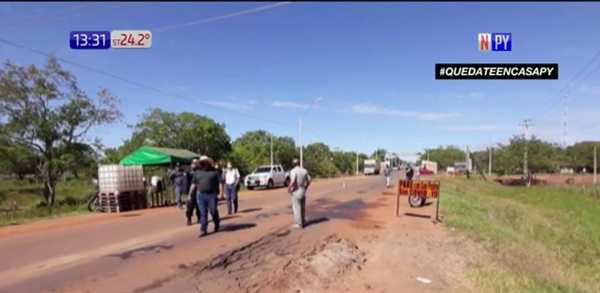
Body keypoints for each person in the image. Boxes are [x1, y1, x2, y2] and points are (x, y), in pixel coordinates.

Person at [189, 155, 221, 237]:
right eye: (202, 162)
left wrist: (221, 193)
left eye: (205, 162)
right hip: (201, 195)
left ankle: (216, 223)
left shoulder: (214, 172)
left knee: (213, 210)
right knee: (203, 213)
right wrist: (190, 194)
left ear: (208, 163)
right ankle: (203, 229)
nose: (204, 163)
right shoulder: (197, 173)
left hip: (212, 195)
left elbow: (220, 183)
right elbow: (193, 184)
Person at [287, 158, 311, 229]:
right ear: (299, 163)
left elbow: (293, 180)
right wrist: (306, 187)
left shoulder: (293, 171)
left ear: (293, 164)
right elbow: (309, 180)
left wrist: (289, 188)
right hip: (303, 190)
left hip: (296, 190)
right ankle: (303, 221)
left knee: (297, 208)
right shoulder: (304, 170)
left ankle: (299, 224)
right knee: (302, 207)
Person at [186, 159, 200, 225]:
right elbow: (186, 182)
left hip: (199, 190)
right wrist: (187, 192)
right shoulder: (189, 172)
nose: (193, 164)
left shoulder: (200, 171)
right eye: (193, 163)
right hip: (191, 191)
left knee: (199, 206)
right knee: (190, 206)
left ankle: (199, 218)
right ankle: (189, 219)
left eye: (195, 163)